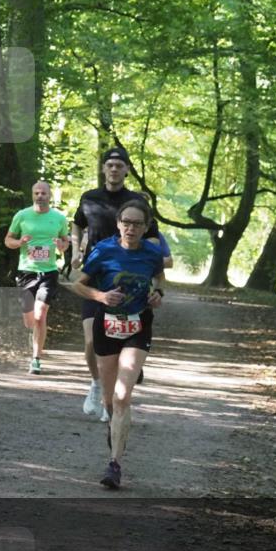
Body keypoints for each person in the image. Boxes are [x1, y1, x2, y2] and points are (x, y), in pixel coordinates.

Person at [70, 197, 164, 489]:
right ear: (118, 224)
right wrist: (101, 296)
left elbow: (159, 278)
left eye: (137, 224)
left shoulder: (152, 253)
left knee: (123, 396)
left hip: (138, 325)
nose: (131, 228)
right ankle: (115, 428)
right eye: (126, 222)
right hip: (107, 326)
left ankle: (114, 464)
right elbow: (78, 284)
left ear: (146, 227)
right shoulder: (103, 250)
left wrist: (158, 293)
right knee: (110, 400)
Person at [70, 147, 169, 421]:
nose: (114, 169)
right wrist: (77, 249)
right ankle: (97, 385)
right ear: (103, 168)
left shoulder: (135, 202)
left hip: (127, 282)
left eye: (119, 165)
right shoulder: (89, 198)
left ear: (126, 170)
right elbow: (77, 224)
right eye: (110, 165)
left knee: (124, 340)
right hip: (95, 277)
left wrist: (146, 264)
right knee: (91, 340)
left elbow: (152, 237)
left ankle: (116, 393)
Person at [4, 181, 70, 374]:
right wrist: (19, 242)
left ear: (49, 196)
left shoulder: (58, 218)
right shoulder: (22, 216)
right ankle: (33, 334)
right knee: (30, 321)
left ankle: (36, 358)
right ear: (32, 195)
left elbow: (65, 242)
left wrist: (61, 245)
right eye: (36, 193)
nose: (40, 196)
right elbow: (8, 240)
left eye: (43, 193)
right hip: (26, 272)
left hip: (48, 272)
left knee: (40, 316)